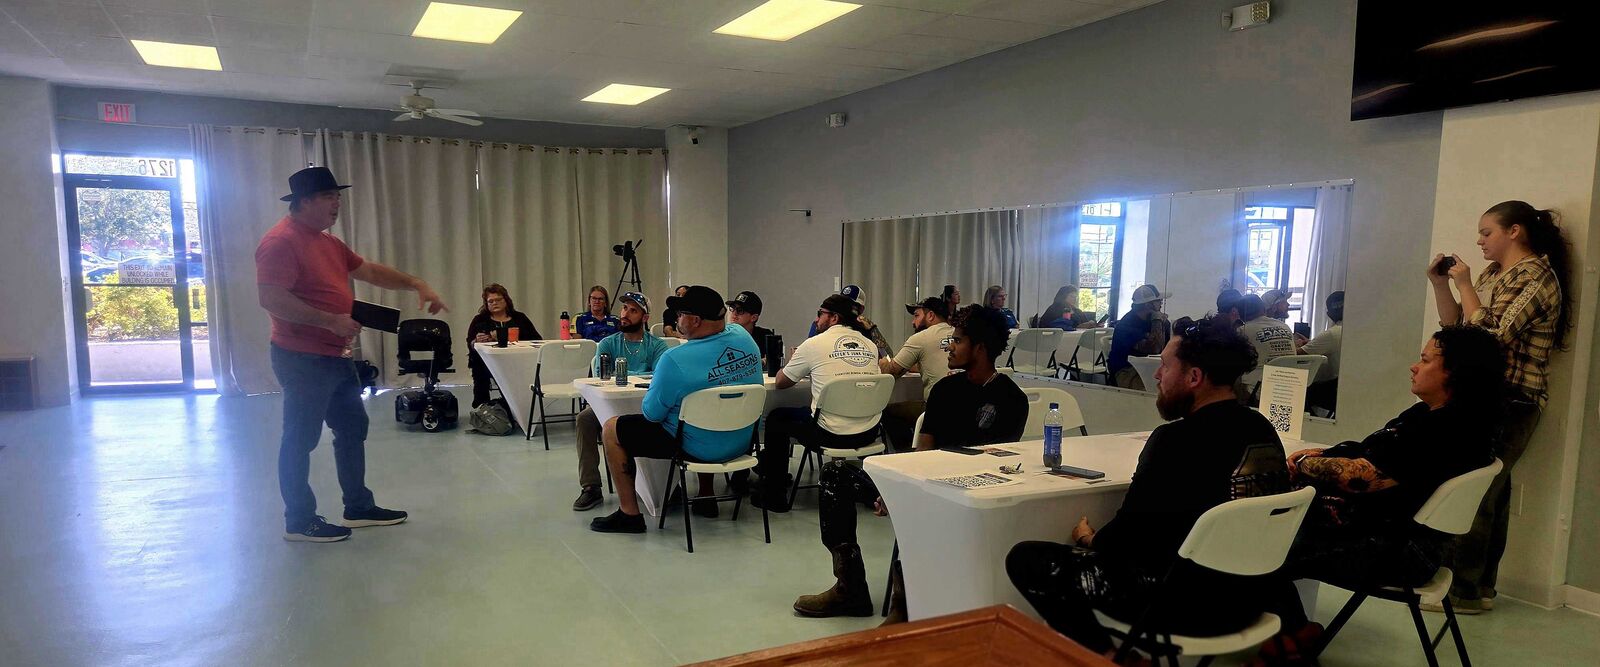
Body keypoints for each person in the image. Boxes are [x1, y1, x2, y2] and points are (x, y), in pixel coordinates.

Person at [1006, 316, 1274, 660]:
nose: (1158, 376)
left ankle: (1110, 656)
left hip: (1182, 605)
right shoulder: (1261, 428)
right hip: (1251, 597)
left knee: (1028, 559)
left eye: (1164, 366)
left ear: (1194, 377)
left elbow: (1127, 538)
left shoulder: (1175, 441)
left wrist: (1090, 538)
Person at [1253, 327, 1503, 663]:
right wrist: (1328, 455)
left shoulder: (1448, 432)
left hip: (1396, 552)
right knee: (1270, 529)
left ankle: (1284, 638)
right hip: (1393, 537)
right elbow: (1372, 450)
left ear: (1455, 374)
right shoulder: (1430, 416)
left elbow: (1363, 477)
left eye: (1426, 360)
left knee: (1259, 542)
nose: (1414, 366)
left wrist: (1309, 465)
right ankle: (1293, 630)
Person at [794, 305, 1027, 623]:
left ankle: (904, 605)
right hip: (926, 481)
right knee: (836, 473)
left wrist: (915, 492)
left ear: (981, 348)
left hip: (970, 492)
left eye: (957, 341)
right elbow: (923, 451)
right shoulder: (945, 390)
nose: (949, 347)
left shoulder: (1012, 399)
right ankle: (850, 587)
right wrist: (898, 487)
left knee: (924, 507)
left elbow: (994, 465)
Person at [256, 166, 448, 543]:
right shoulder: (281, 241)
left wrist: (415, 283)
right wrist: (329, 321)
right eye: (330, 197)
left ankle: (357, 506)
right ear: (305, 202)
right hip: (302, 358)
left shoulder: (328, 243)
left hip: (336, 356)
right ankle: (299, 520)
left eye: (338, 197)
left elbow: (369, 271)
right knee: (300, 438)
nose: (337, 204)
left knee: (351, 429)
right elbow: (271, 299)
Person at [1425, 200, 1569, 614]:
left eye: (1486, 232)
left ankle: (1463, 591)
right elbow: (1458, 332)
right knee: (1492, 490)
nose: (1479, 240)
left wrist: (1466, 286)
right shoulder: (1497, 275)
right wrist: (1441, 287)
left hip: (1513, 397)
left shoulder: (1536, 277)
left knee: (1476, 491)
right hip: (1493, 396)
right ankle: (1480, 588)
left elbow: (1492, 336)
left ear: (1514, 231)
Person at [590, 287, 762, 534]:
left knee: (611, 429)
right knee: (706, 416)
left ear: (694, 320)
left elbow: (651, 414)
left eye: (680, 314)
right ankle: (705, 496)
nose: (676, 319)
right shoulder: (744, 338)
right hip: (741, 443)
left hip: (695, 447)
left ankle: (629, 514)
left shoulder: (675, 359)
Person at [755, 294, 883, 512]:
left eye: (820, 314)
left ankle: (774, 496)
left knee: (777, 418)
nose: (816, 320)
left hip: (828, 433)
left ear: (834, 318)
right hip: (869, 432)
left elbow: (781, 382)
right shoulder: (870, 345)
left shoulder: (813, 344)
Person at [571, 292, 669, 512]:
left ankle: (667, 484)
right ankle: (591, 486)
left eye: (633, 310)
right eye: (624, 308)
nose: (625, 314)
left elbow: (662, 379)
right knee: (585, 419)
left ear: (645, 317)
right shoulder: (607, 344)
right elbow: (601, 380)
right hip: (610, 406)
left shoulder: (657, 346)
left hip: (646, 406)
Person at [877, 297, 954, 451]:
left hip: (935, 410)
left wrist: (883, 362)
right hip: (966, 407)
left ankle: (907, 454)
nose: (913, 322)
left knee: (888, 412)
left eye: (917, 315)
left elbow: (891, 372)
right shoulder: (958, 335)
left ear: (930, 315)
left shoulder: (921, 338)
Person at [466, 284, 540, 408]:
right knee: (479, 369)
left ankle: (517, 408)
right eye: (491, 301)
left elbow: (537, 340)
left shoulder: (520, 318)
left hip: (517, 362)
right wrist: (476, 341)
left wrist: (508, 337)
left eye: (498, 299)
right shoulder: (479, 320)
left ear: (506, 300)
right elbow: (470, 343)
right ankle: (482, 409)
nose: (495, 303)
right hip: (487, 364)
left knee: (515, 379)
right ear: (486, 304)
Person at [1107, 284, 1172, 391]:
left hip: (1148, 368)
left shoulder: (1150, 319)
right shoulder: (1127, 325)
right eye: (1158, 301)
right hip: (1127, 370)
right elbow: (1155, 349)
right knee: (1156, 392)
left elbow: (1168, 345)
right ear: (1148, 305)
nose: (1161, 304)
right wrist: (1157, 321)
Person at [1296, 291, 1343, 412]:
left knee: (1295, 390)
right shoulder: (1353, 330)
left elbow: (1298, 354)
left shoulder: (1332, 334)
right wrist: (1313, 343)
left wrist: (1295, 345)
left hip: (1331, 389)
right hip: (1343, 386)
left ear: (1328, 313)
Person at [1237, 293, 1295, 370]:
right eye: (1283, 302)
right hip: (1291, 378)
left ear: (1239, 315)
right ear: (1264, 309)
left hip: (1260, 380)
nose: (1288, 304)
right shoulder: (1285, 326)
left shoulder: (1242, 330)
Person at [727, 290, 775, 355]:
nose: (734, 313)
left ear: (754, 317)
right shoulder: (721, 336)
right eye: (732, 308)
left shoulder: (764, 337)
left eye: (740, 311)